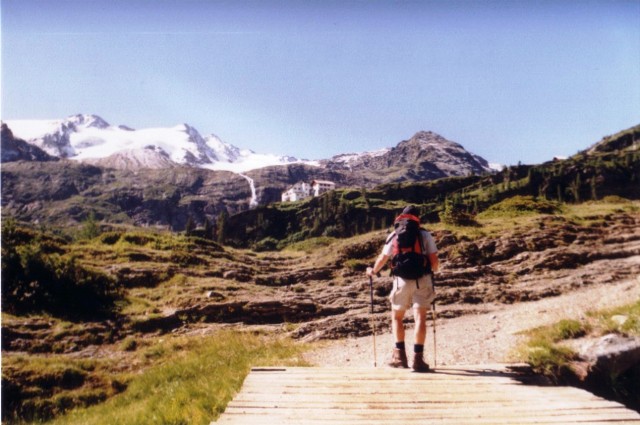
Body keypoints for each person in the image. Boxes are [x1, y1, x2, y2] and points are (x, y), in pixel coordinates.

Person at [366, 205, 439, 372]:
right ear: (417, 219)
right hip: (423, 280)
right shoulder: (424, 234)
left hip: (401, 281)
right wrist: (433, 270)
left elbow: (383, 257)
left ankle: (399, 357)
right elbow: (434, 261)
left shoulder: (394, 235)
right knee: (420, 318)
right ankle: (418, 360)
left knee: (397, 317)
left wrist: (373, 271)